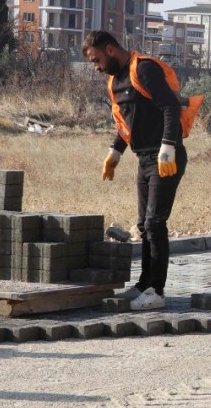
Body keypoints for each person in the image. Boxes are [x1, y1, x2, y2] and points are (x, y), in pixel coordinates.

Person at [83, 30, 201, 311]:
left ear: (110, 49)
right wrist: (115, 152)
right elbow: (127, 122)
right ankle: (143, 285)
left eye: (96, 60)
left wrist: (168, 146)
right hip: (144, 158)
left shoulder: (143, 69)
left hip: (165, 158)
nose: (96, 67)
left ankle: (156, 291)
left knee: (154, 223)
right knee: (143, 225)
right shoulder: (116, 80)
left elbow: (171, 108)